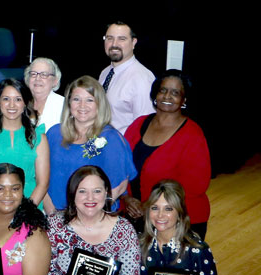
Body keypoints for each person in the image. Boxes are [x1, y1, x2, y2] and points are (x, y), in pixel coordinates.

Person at [121, 70, 211, 238]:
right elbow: (120, 165)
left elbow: (196, 185)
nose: (167, 96)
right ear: (155, 94)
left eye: (175, 93)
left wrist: (151, 206)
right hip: (134, 215)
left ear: (184, 100)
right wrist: (126, 198)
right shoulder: (139, 124)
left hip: (178, 220)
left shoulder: (192, 135)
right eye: (163, 90)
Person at [45, 76, 136, 214]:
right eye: (76, 99)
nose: (82, 105)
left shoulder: (110, 138)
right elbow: (40, 175)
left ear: (99, 104)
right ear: (69, 103)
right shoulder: (54, 133)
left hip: (93, 219)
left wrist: (88, 216)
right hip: (54, 215)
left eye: (89, 100)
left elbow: (119, 186)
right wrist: (51, 211)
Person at [0, 79, 50, 205]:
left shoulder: (38, 137)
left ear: (25, 104)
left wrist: (25, 213)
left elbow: (42, 183)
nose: (12, 105)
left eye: (18, 99)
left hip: (29, 207)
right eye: (6, 99)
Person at [99, 22, 155, 134]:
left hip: (125, 148)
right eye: (110, 38)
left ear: (133, 43)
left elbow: (145, 128)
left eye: (122, 39)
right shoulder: (105, 73)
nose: (114, 44)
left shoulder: (142, 79)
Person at [25, 57, 65, 130]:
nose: (37, 78)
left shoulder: (64, 105)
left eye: (44, 74)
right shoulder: (20, 103)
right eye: (33, 74)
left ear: (55, 81)